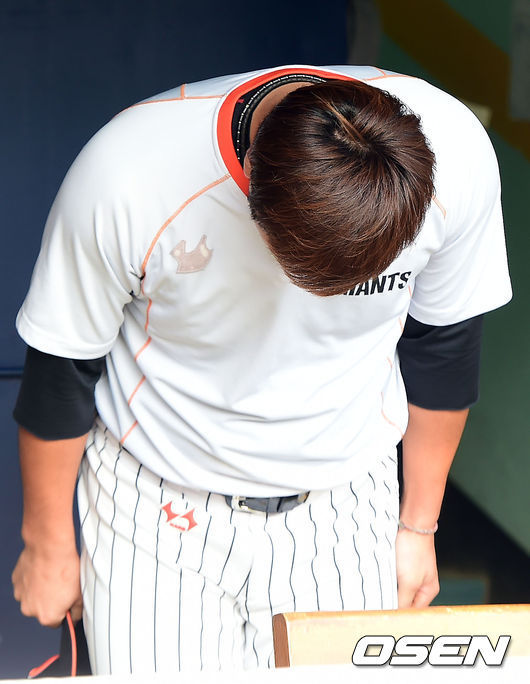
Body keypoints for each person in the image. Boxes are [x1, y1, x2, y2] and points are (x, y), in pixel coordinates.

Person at [12, 64, 511, 673]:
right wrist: (48, 545)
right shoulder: (128, 174)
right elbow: (63, 369)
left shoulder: (455, 152)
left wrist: (418, 527)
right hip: (158, 497)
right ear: (251, 183)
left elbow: (443, 345)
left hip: (345, 499)